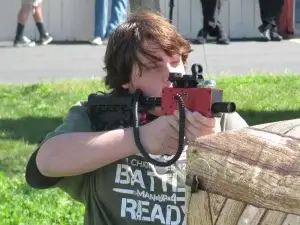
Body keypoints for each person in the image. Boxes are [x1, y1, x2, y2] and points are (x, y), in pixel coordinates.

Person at [25, 11, 248, 225]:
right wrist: (140, 138)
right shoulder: (99, 116)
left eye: (175, 61)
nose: (172, 74)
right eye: (153, 66)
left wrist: (216, 147)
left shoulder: (216, 116)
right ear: (125, 79)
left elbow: (265, 178)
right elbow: (45, 163)